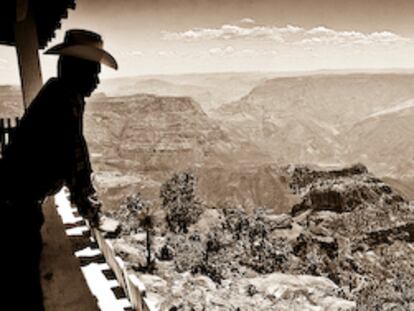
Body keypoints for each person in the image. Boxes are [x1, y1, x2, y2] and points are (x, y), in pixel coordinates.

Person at [0, 29, 118, 310]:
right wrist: (96, 215)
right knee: (24, 287)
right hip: (16, 208)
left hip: (13, 201)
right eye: (94, 72)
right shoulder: (66, 100)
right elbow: (76, 160)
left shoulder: (56, 93)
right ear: (77, 70)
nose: (98, 81)